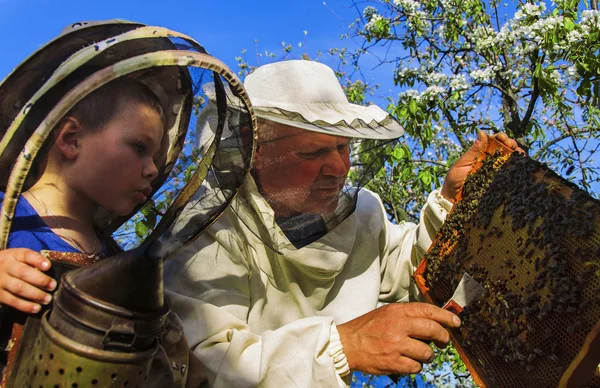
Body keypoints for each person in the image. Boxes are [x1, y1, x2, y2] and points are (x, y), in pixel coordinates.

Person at [164, 60, 519, 387]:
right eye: (312, 152)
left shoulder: (363, 212)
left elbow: (415, 273)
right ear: (253, 147)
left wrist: (451, 199)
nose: (338, 168)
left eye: (343, 148)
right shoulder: (207, 230)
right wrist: (345, 345)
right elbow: (203, 363)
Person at [0, 77, 165, 314]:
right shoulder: (5, 215)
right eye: (140, 147)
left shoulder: (114, 258)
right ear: (71, 139)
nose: (153, 170)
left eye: (155, 157)